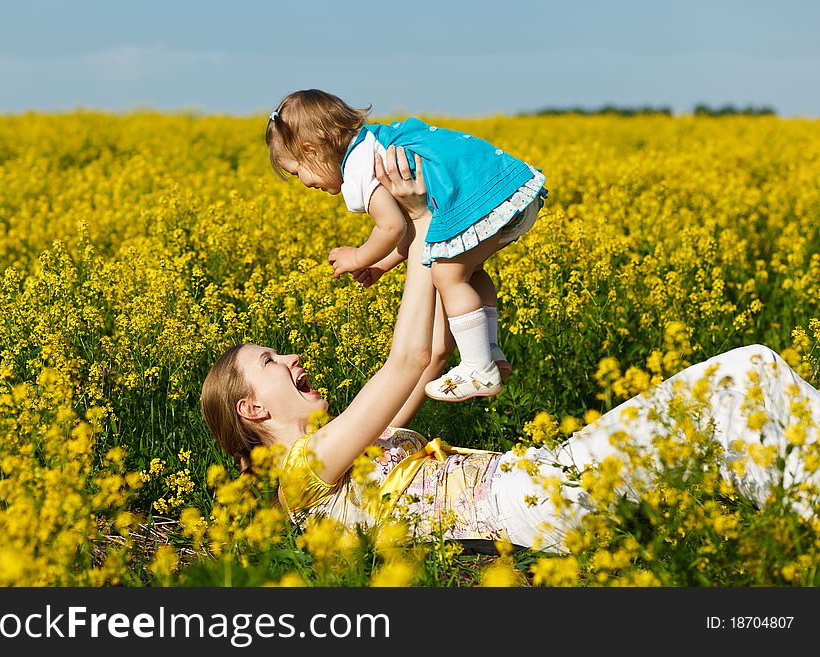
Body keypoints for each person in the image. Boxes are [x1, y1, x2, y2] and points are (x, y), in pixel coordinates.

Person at [201, 164, 820, 554]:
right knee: (750, 372)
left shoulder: (353, 448)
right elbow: (406, 356)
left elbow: (431, 356)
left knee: (736, 419)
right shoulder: (303, 472)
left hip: (540, 483)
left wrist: (442, 245)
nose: (292, 356)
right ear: (252, 406)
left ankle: (799, 527)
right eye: (270, 360)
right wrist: (422, 226)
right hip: (531, 499)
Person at [264, 88, 548, 402]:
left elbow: (392, 226)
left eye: (297, 171)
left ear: (311, 149)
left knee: (447, 277)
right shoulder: (376, 141)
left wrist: (357, 257)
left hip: (481, 199)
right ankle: (489, 351)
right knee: (468, 271)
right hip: (507, 191)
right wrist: (382, 264)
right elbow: (414, 229)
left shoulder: (358, 166)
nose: (304, 182)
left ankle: (479, 368)